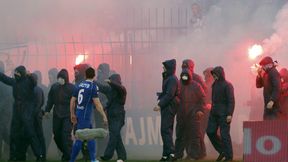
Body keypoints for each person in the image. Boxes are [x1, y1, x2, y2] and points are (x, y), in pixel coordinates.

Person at [0, 65, 44, 161]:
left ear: (22, 74)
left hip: (27, 112)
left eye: (17, 73)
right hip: (17, 111)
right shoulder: (15, 82)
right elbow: (4, 78)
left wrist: (30, 75)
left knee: (31, 134)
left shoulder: (28, 82)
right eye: (15, 73)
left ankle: (39, 155)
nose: (15, 74)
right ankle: (13, 156)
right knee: (13, 135)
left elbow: (34, 81)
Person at [70, 67, 108, 162]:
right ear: (94, 76)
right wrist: (104, 116)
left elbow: (72, 100)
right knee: (80, 138)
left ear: (85, 75)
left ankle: (92, 159)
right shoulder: (92, 86)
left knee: (91, 136)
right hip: (85, 116)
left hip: (79, 113)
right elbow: (98, 104)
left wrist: (72, 114)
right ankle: (72, 160)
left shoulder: (79, 85)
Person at [175, 68, 206, 160]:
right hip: (181, 114)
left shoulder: (196, 86)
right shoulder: (179, 85)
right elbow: (174, 97)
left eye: (186, 76)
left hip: (193, 114)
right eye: (183, 76)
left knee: (194, 136)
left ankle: (193, 155)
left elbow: (202, 99)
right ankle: (178, 154)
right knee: (180, 135)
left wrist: (200, 110)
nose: (184, 78)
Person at [96, 73, 127, 162]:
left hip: (119, 116)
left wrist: (111, 83)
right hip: (111, 116)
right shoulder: (110, 89)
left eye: (112, 80)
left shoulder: (122, 90)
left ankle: (107, 155)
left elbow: (118, 87)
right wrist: (92, 81)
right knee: (116, 137)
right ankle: (122, 156)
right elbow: (101, 87)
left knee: (113, 136)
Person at [44, 69, 74, 161]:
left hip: (68, 116)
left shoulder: (72, 88)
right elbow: (50, 100)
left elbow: (75, 102)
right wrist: (47, 110)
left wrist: (75, 114)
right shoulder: (54, 87)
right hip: (57, 115)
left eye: (62, 78)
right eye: (59, 77)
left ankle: (68, 156)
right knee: (57, 136)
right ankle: (67, 152)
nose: (60, 79)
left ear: (66, 78)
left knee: (65, 135)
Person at [206, 66, 235, 162]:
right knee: (210, 132)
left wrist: (229, 114)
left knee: (224, 135)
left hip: (224, 114)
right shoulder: (214, 85)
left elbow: (231, 101)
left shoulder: (228, 85)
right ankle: (222, 151)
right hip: (214, 113)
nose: (214, 76)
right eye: (213, 74)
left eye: (215, 74)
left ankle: (229, 157)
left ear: (220, 74)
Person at [154, 59, 180, 161]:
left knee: (165, 130)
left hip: (169, 106)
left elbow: (170, 94)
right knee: (167, 130)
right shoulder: (169, 78)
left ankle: (172, 153)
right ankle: (165, 155)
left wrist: (160, 105)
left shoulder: (172, 79)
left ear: (168, 68)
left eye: (164, 67)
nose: (163, 68)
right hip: (169, 106)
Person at [182, 59, 207, 158]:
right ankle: (194, 153)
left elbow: (204, 92)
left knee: (196, 133)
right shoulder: (183, 78)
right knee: (189, 132)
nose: (184, 68)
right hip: (186, 109)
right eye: (183, 67)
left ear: (191, 67)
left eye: (186, 66)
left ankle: (197, 152)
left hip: (196, 109)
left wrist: (201, 107)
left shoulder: (197, 78)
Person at [94, 63, 110, 157]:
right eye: (98, 71)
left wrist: (102, 106)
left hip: (105, 111)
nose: (98, 73)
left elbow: (109, 98)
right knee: (98, 132)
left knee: (104, 133)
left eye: (100, 71)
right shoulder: (96, 82)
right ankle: (100, 152)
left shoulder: (109, 82)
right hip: (97, 111)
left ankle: (104, 152)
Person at [31, 73, 46, 161]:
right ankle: (42, 155)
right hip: (39, 115)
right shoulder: (40, 89)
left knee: (34, 136)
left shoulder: (30, 90)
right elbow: (42, 102)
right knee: (40, 136)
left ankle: (38, 155)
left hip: (33, 115)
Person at [0, 61, 12, 160]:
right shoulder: (6, 80)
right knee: (4, 133)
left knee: (3, 132)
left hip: (4, 112)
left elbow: (6, 98)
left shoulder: (4, 81)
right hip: (6, 112)